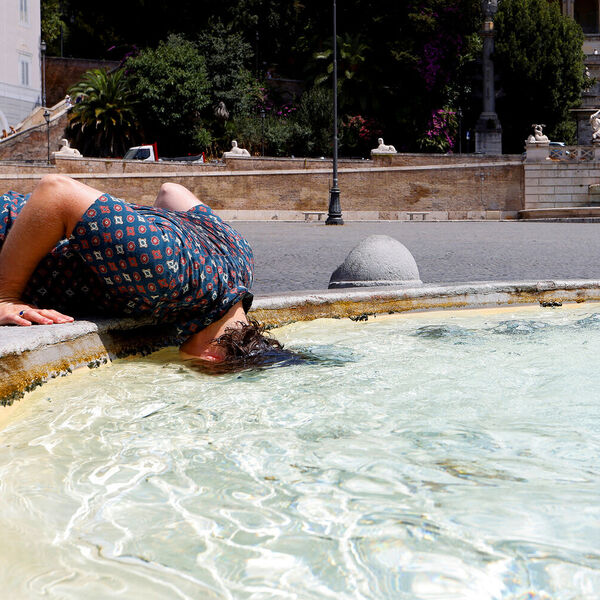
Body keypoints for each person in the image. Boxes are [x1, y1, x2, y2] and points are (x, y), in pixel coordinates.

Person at [0, 175, 282, 365]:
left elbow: (171, 192)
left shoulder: (241, 261)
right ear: (212, 359)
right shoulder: (165, 275)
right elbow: (55, 190)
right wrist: (6, 296)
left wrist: (133, 231)